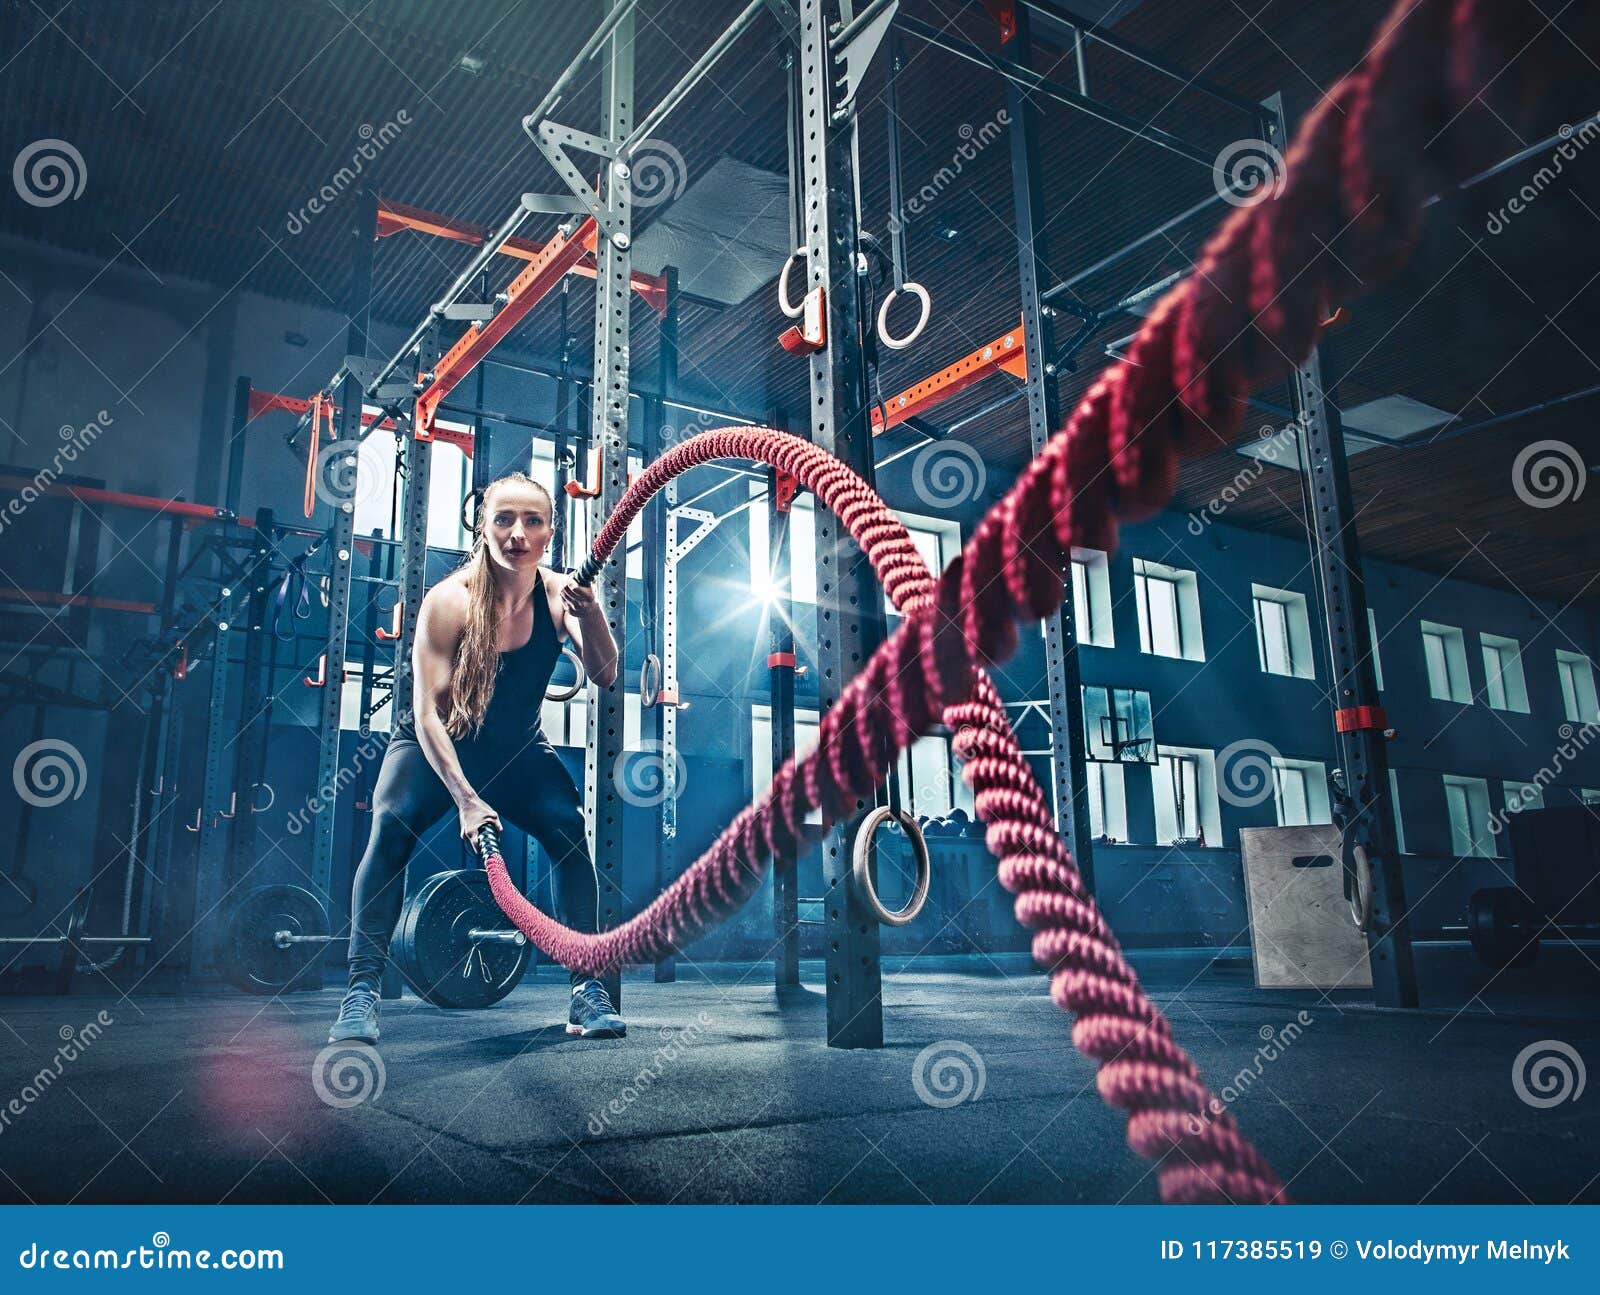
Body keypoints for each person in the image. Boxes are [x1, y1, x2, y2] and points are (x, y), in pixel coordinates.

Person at [328, 470, 625, 1044]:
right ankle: (361, 991)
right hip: (435, 744)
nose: (517, 533)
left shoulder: (562, 596)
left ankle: (586, 990)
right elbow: (427, 714)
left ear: (550, 533)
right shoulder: (450, 601)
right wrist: (466, 800)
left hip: (516, 748)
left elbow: (606, 673)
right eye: (504, 519)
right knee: (390, 829)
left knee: (568, 829)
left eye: (532, 521)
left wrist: (591, 615)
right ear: (482, 527)